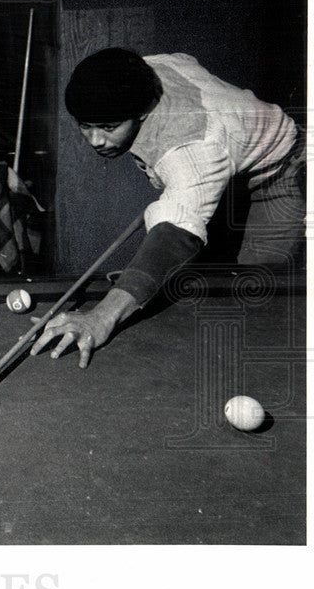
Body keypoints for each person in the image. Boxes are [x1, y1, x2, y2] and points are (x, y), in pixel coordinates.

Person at [33, 47, 306, 368]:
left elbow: (176, 235)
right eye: (85, 125)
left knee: (256, 288)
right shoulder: (143, 72)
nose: (95, 140)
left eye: (108, 127)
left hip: (280, 169)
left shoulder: (191, 150)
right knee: (189, 267)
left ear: (144, 111)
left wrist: (101, 316)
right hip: (226, 161)